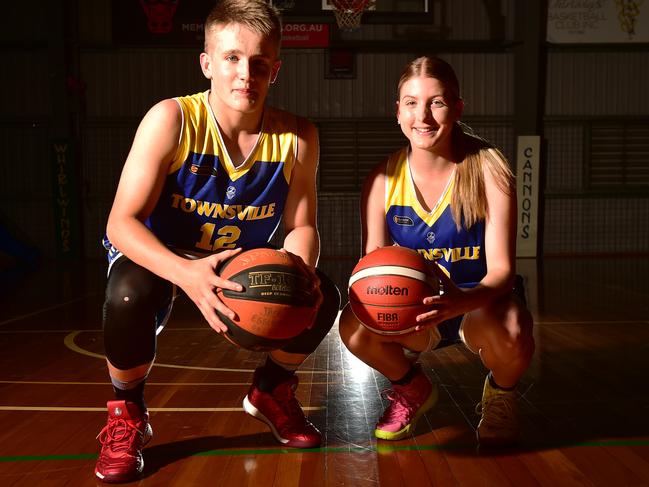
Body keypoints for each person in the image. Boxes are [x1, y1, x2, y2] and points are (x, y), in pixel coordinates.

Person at [94, 1, 340, 482]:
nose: (245, 73)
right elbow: (120, 224)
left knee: (320, 295)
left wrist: (294, 276)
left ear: (276, 69)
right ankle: (127, 410)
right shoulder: (171, 119)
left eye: (259, 62)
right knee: (127, 293)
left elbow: (301, 225)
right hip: (161, 254)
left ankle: (271, 389)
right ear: (206, 63)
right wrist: (186, 275)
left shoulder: (298, 136)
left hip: (235, 258)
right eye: (231, 57)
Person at [338, 56, 535, 446]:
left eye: (437, 102)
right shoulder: (382, 180)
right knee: (353, 325)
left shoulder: (489, 171)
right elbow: (371, 270)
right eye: (411, 102)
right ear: (398, 112)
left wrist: (459, 302)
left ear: (457, 108)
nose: (422, 116)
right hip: (418, 310)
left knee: (512, 329)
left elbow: (501, 272)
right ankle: (411, 388)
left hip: (478, 303)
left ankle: (501, 393)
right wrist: (385, 305)